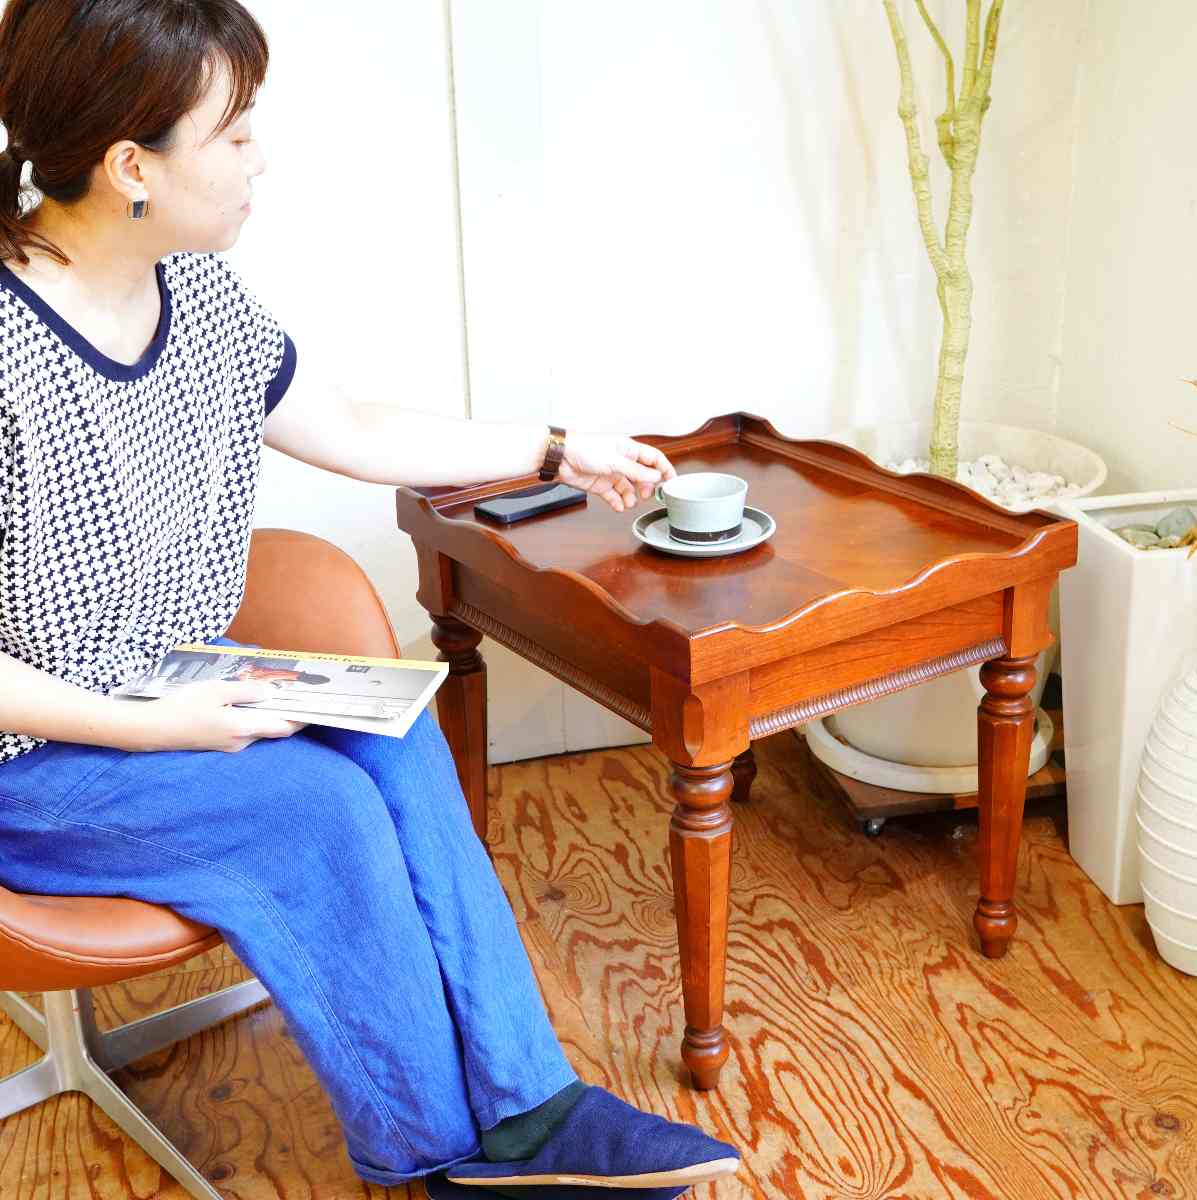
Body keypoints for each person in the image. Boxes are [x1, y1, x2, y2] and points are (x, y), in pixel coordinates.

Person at [0, 2, 740, 1197]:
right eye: (235, 133)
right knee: (318, 810)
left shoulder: (198, 297)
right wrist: (154, 727)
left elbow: (346, 426)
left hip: (172, 682)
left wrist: (558, 448)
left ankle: (529, 1111)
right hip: (33, 753)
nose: (261, 158)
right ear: (132, 166)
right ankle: (428, 1161)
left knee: (393, 733)